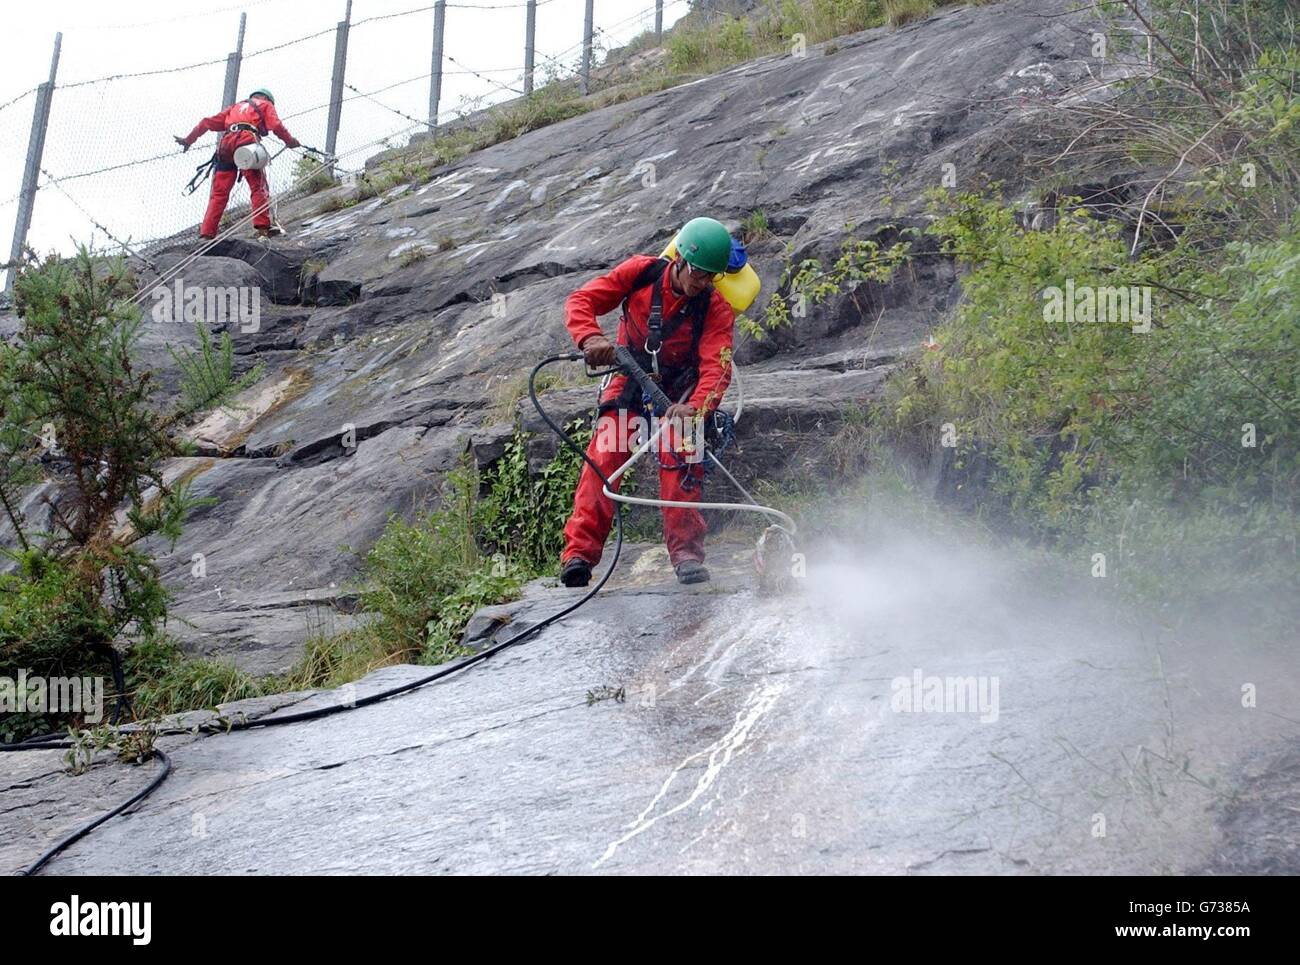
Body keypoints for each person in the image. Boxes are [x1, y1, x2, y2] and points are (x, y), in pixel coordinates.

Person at [560, 217, 737, 587]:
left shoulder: (715, 308)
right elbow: (582, 300)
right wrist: (590, 339)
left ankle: (686, 553)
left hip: (681, 392)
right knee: (606, 453)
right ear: (681, 261)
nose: (703, 283)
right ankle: (579, 555)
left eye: (710, 277)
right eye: (699, 274)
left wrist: (697, 407)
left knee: (681, 454)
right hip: (630, 375)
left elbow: (716, 365)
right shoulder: (640, 273)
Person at [175, 88, 300, 239]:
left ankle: (206, 234)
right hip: (246, 141)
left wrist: (189, 140)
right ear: (267, 99)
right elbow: (276, 126)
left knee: (219, 193)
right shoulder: (266, 105)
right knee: (257, 185)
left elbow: (206, 123)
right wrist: (290, 141)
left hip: (225, 145)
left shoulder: (234, 107)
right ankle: (263, 228)